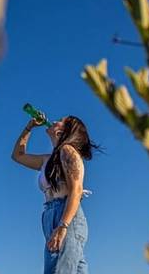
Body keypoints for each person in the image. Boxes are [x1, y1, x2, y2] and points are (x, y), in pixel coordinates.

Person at [11, 113, 99, 274]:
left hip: (65, 215)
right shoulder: (48, 159)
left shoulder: (67, 151)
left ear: (65, 131)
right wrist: (29, 127)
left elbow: (76, 190)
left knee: (58, 270)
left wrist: (63, 225)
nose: (55, 121)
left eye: (61, 121)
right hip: (50, 215)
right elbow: (18, 156)